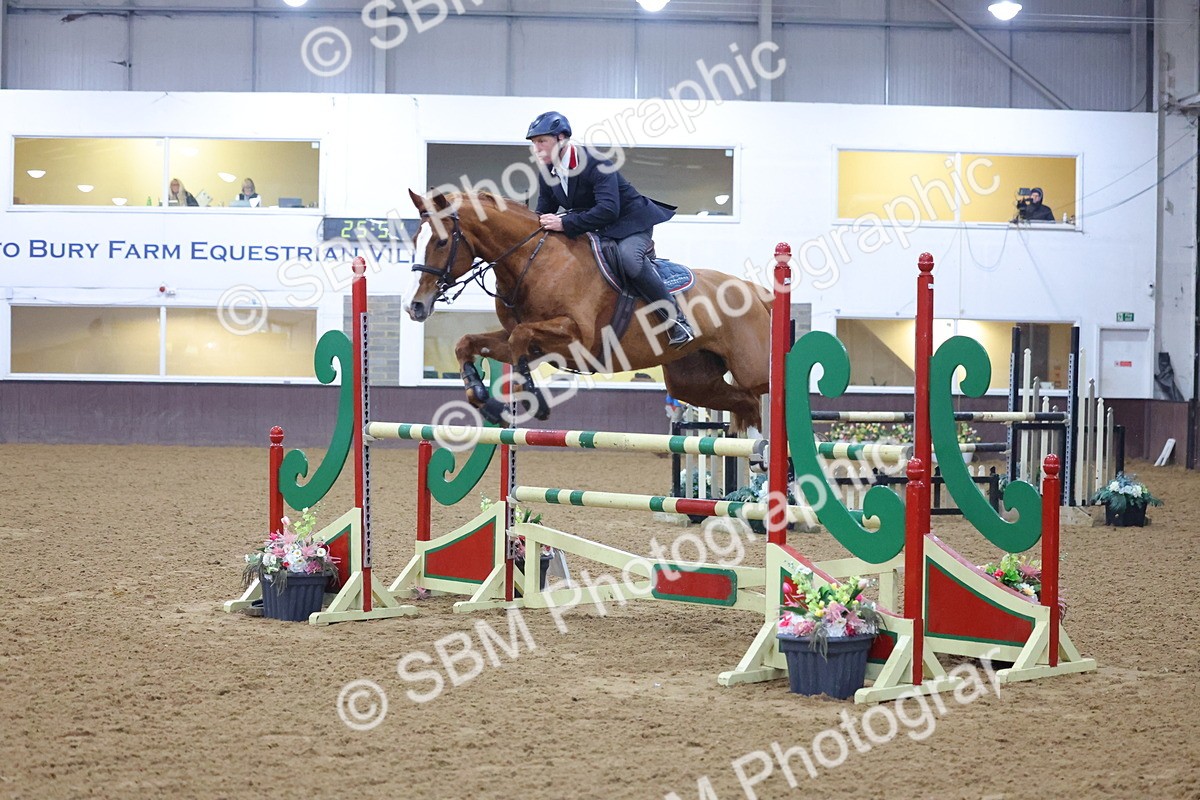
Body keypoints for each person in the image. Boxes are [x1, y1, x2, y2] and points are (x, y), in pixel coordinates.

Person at [526, 111, 695, 348]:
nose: (537, 148)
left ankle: (677, 321)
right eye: (534, 143)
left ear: (562, 139)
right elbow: (543, 212)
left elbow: (608, 209)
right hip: (598, 227)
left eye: (542, 141)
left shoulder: (596, 163)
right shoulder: (547, 171)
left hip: (629, 223)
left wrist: (565, 223)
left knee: (629, 260)